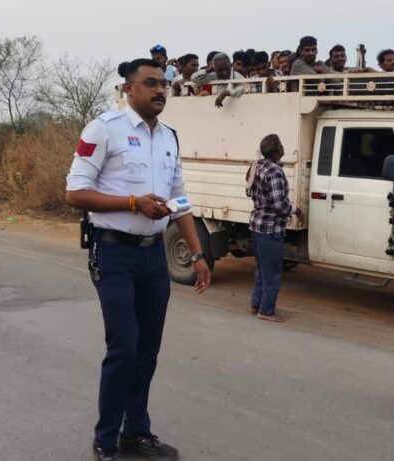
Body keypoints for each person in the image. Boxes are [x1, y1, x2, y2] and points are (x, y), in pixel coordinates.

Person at [66, 58, 212, 461]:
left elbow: (179, 200)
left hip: (153, 258)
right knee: (124, 348)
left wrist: (198, 254)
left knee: (147, 350)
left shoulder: (169, 137)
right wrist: (133, 203)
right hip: (113, 253)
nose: (160, 90)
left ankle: (136, 433)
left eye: (164, 84)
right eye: (150, 83)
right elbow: (75, 193)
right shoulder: (103, 130)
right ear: (128, 88)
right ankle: (105, 439)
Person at [246, 134, 301, 322]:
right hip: (270, 229)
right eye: (281, 144)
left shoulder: (258, 166)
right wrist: (295, 210)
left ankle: (256, 304)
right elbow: (280, 204)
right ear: (276, 149)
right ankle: (266, 311)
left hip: (256, 224)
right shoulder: (275, 171)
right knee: (273, 273)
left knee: (262, 268)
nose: (283, 147)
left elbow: (248, 191)